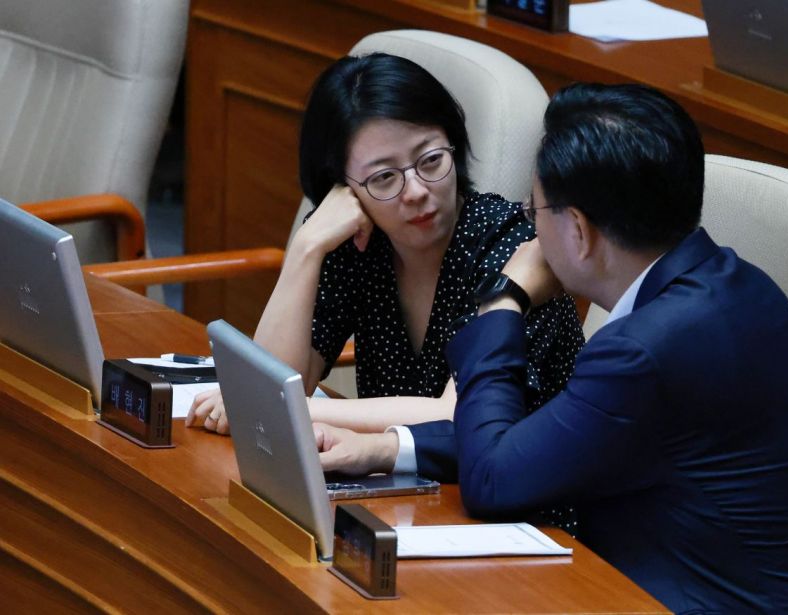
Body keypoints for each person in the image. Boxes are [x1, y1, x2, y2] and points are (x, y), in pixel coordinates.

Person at [318, 82, 788, 613]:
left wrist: (504, 301)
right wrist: (384, 449)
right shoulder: (736, 286)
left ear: (578, 230)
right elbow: (559, 439)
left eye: (535, 210)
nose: (530, 228)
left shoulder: (647, 349)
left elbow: (495, 479)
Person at [186, 53, 584, 476]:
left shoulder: (512, 244)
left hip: (527, 504)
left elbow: (461, 416)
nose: (415, 191)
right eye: (384, 178)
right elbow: (274, 383)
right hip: (399, 489)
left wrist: (292, 410)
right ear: (345, 188)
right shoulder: (353, 243)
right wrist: (306, 248)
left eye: (431, 160)